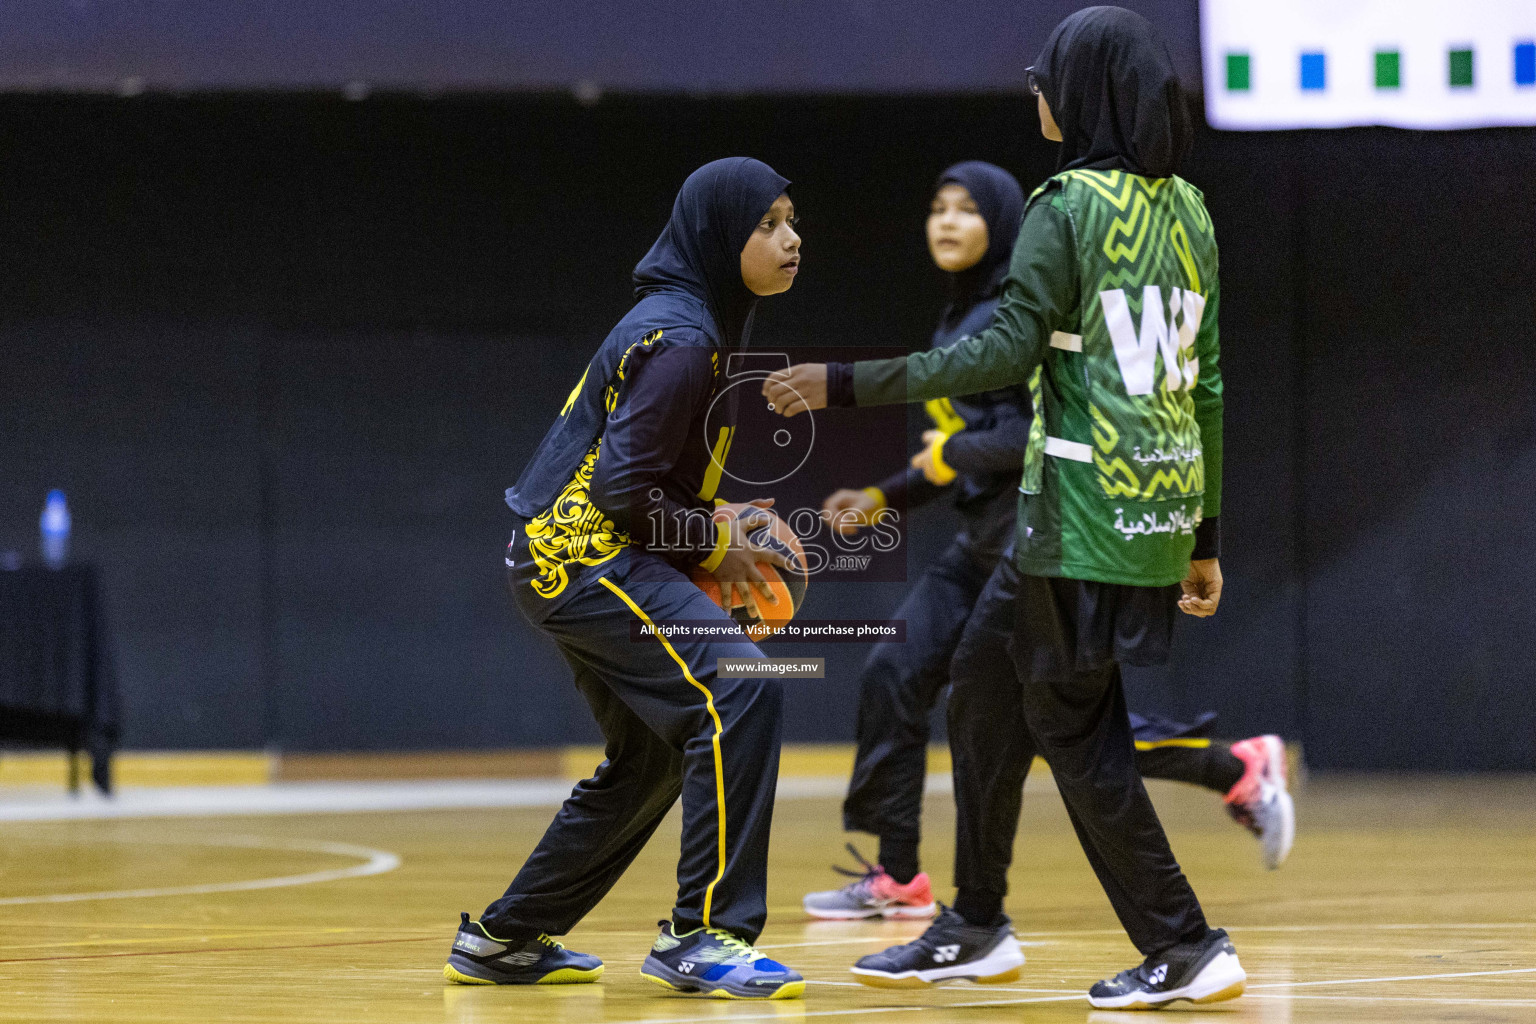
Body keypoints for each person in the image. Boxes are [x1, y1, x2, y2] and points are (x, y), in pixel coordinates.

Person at [764, 8, 1251, 1009]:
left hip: (1080, 515)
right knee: (984, 688)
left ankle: (1185, 942)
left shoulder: (1064, 204)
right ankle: (975, 922)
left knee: (1075, 730)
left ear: (1084, 94)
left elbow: (1002, 353)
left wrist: (845, 384)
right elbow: (1204, 386)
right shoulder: (1191, 211)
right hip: (1148, 512)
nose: (1035, 93)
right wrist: (1204, 536)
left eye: (1045, 78)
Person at [802, 163, 1293, 924]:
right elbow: (960, 444)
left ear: (1003, 221)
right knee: (896, 671)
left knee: (1035, 717)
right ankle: (900, 874)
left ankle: (1229, 771)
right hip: (979, 545)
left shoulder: (1017, 310)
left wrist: (934, 452)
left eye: (967, 210)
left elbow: (1029, 431)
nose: (947, 221)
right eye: (937, 208)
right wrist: (881, 497)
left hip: (1038, 540)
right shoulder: (956, 318)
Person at [443, 157, 806, 1000]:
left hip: (563, 556)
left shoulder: (685, 321)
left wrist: (721, 518)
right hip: (585, 559)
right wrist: (716, 549)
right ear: (722, 236)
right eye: (769, 224)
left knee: (649, 757)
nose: (792, 239)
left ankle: (506, 937)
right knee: (743, 686)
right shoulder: (684, 340)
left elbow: (638, 476)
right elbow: (618, 490)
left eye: (792, 220)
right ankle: (705, 935)